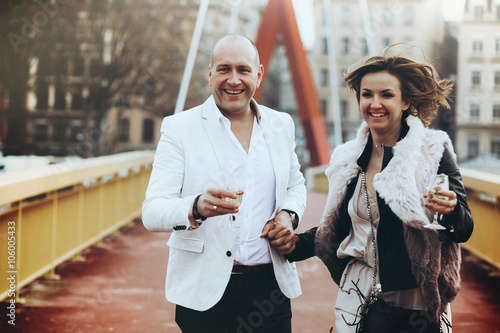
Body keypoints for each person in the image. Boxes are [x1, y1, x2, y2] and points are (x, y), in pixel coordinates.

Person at [270, 46, 474, 333]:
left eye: (386, 95)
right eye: (367, 94)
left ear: (405, 102)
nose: (374, 103)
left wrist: (451, 211)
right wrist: (294, 244)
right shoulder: (346, 158)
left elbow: (464, 228)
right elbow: (339, 228)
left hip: (416, 301)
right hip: (358, 295)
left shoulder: (432, 150)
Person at [142, 33, 306, 333]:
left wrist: (287, 215)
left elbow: (296, 185)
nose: (233, 80)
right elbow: (152, 211)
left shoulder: (281, 125)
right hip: (204, 292)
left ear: (258, 75)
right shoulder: (179, 128)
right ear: (210, 74)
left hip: (269, 288)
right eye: (223, 69)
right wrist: (197, 207)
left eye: (243, 70)